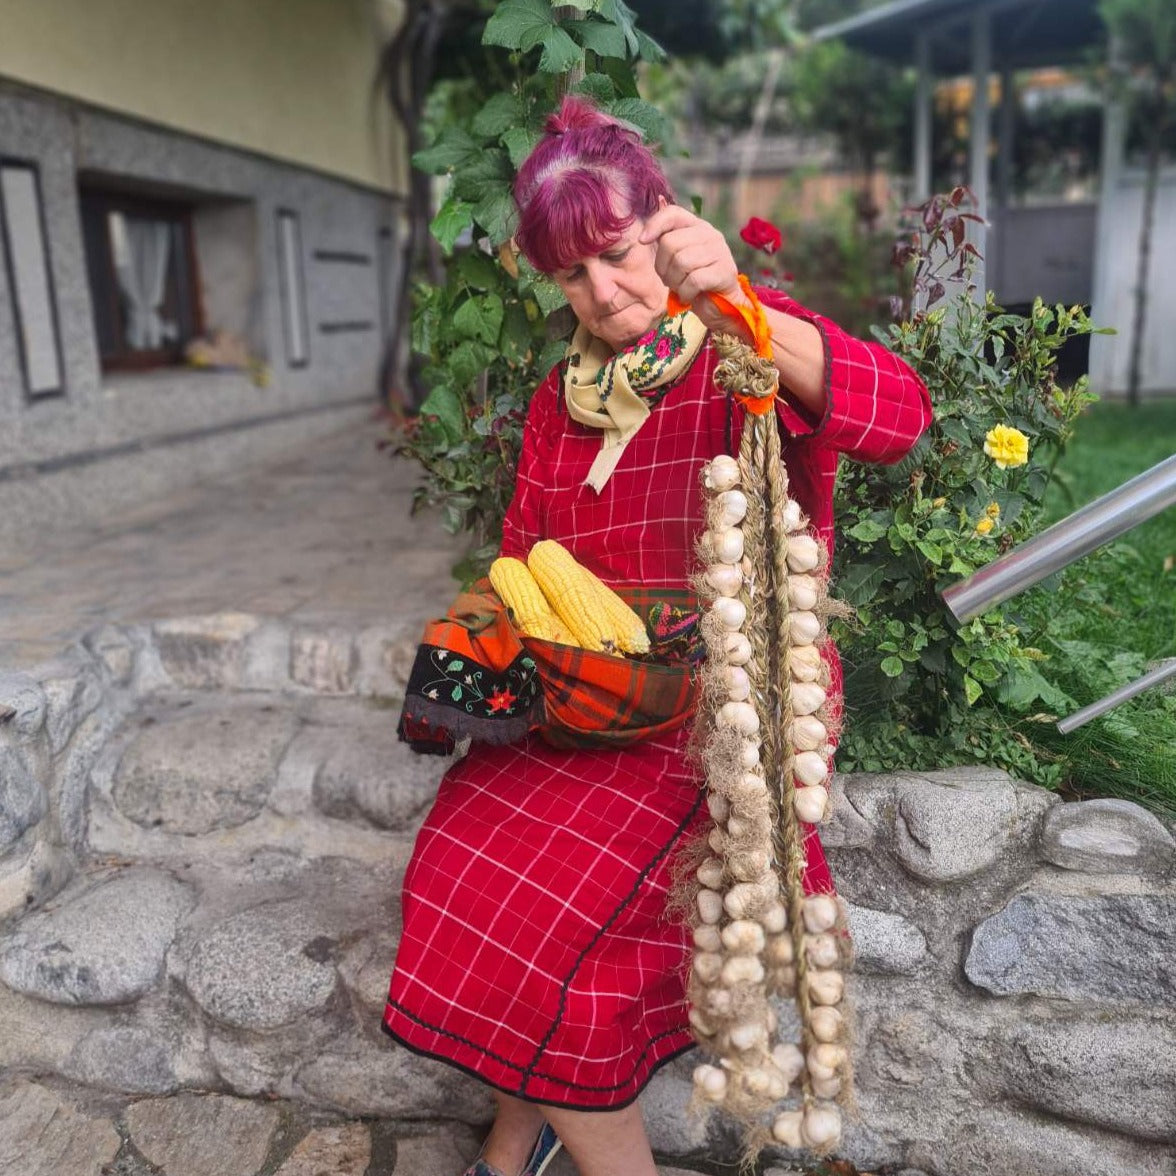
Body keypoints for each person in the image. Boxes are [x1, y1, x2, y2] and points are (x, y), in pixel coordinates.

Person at [384, 96, 932, 1176]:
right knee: (456, 859)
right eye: (573, 278)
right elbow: (524, 550)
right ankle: (518, 1139)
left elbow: (902, 418)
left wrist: (732, 301)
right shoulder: (559, 398)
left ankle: (552, 1158)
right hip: (591, 701)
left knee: (537, 922)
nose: (605, 295)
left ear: (668, 223)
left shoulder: (742, 342)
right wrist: (487, 652)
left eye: (620, 257)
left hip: (721, 714)